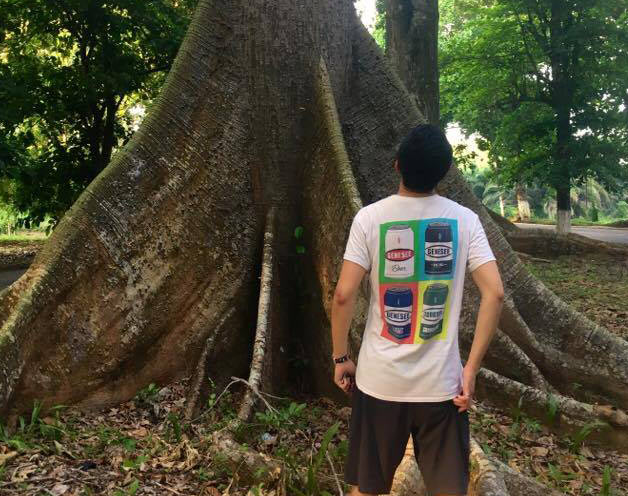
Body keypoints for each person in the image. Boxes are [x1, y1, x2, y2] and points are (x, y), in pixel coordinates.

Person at [331, 124, 504, 496]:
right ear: (443, 174)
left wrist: (340, 357)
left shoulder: (370, 218)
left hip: (379, 383)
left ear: (397, 166)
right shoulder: (465, 221)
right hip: (442, 387)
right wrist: (469, 370)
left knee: (367, 487)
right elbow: (495, 294)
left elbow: (343, 295)